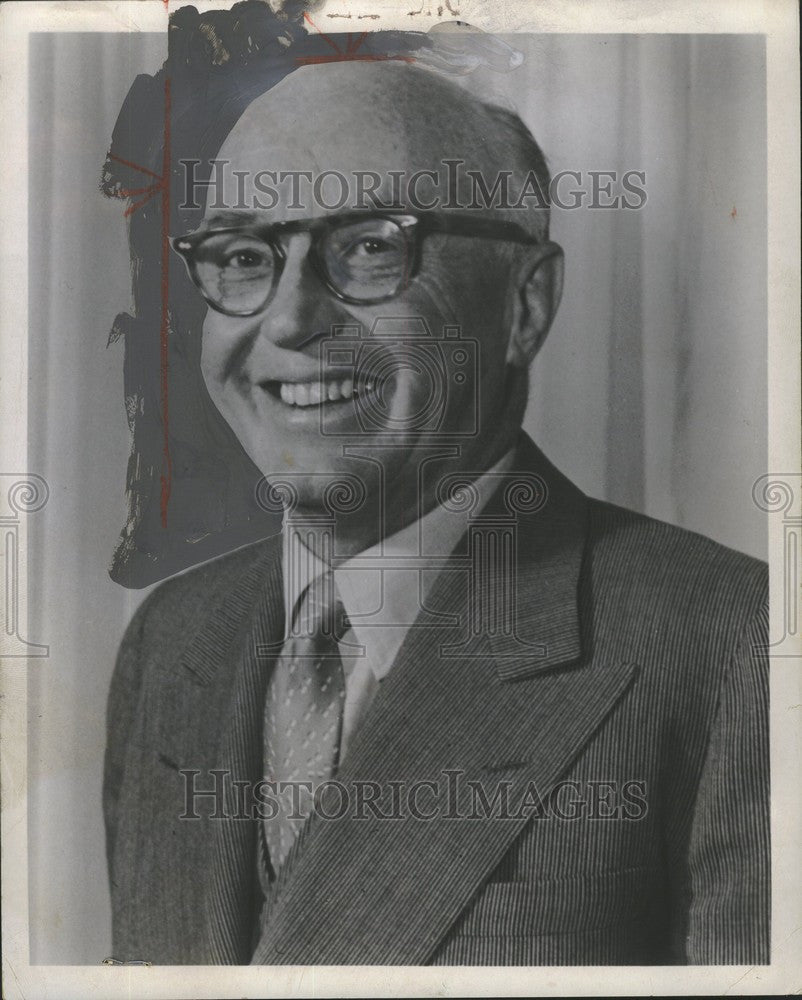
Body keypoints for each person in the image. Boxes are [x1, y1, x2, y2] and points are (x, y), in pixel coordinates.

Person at [104, 59, 769, 966]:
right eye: (245, 257)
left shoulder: (740, 648)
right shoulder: (173, 637)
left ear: (524, 306)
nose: (292, 320)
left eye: (372, 247)